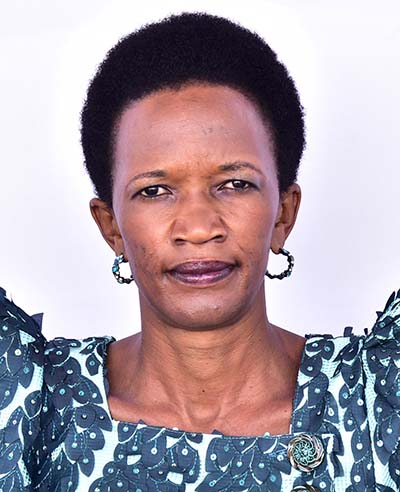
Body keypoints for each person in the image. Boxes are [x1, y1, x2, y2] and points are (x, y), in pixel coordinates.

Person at [0, 11, 399, 492]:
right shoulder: (31, 408)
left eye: (234, 184)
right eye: (154, 191)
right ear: (111, 227)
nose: (198, 227)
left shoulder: (378, 397)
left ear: (283, 214)